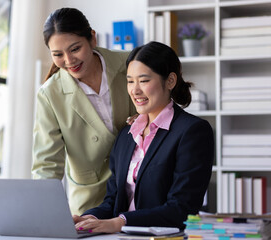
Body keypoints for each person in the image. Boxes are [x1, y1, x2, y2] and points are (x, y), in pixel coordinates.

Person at [73, 41, 214, 233]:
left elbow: (181, 209)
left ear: (170, 81)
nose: (135, 90)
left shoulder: (192, 132)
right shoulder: (127, 134)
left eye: (144, 80)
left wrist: (120, 222)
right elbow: (113, 201)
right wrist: (90, 217)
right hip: (120, 237)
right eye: (130, 81)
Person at [32, 7, 136, 215]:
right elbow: (47, 165)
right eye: (58, 54)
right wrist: (46, 215)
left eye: (75, 49)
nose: (69, 61)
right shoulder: (50, 94)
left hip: (138, 191)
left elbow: (160, 113)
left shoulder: (130, 64)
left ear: (92, 39)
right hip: (91, 202)